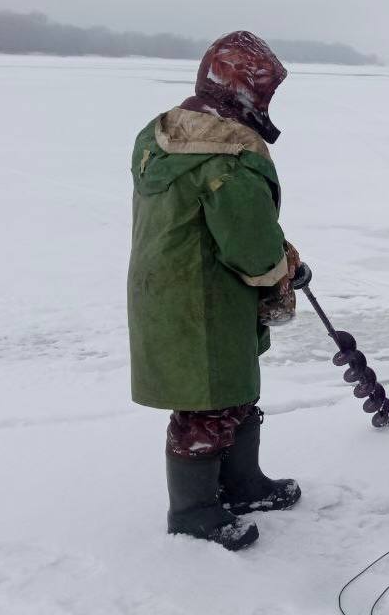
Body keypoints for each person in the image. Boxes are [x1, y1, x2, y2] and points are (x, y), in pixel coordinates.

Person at [127, 31, 301, 550]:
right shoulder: (227, 157)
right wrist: (281, 268)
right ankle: (194, 510)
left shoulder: (162, 137)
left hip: (166, 288)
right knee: (205, 405)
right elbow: (249, 247)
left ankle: (243, 484)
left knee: (233, 391)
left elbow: (220, 221)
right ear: (243, 93)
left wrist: (281, 255)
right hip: (206, 297)